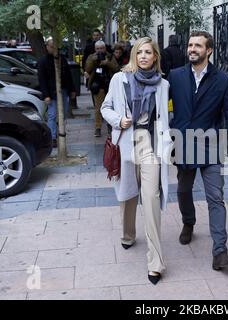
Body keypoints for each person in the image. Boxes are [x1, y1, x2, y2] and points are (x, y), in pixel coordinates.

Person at [168, 31, 228, 271]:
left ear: (208, 50)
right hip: (183, 142)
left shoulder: (222, 80)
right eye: (190, 45)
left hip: (210, 145)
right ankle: (188, 223)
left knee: (215, 197)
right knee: (183, 191)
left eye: (198, 46)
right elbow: (158, 104)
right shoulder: (175, 76)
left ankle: (220, 251)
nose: (192, 49)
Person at [101, 37, 172, 285]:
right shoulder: (119, 79)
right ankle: (128, 234)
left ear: (155, 57)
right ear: (134, 55)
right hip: (126, 141)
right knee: (128, 194)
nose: (143, 56)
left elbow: (164, 116)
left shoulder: (163, 84)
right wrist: (118, 120)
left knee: (151, 197)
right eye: (139, 52)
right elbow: (105, 107)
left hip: (150, 144)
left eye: (148, 52)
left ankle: (155, 263)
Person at [37, 39, 76, 148]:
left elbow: (68, 75)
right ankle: (52, 137)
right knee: (52, 114)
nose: (54, 49)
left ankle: (61, 132)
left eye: (56, 47)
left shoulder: (62, 59)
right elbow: (42, 80)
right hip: (51, 92)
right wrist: (46, 95)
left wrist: (72, 90)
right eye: (52, 47)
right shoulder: (42, 61)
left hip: (63, 90)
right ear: (47, 47)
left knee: (62, 114)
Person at [85, 40, 120, 137]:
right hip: (97, 85)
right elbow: (87, 69)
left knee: (111, 107)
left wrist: (107, 63)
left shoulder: (110, 56)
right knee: (98, 108)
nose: (100, 50)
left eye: (101, 48)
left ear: (105, 48)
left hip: (109, 85)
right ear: (95, 49)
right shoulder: (91, 57)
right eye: (97, 49)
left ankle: (110, 126)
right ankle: (98, 128)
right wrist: (93, 60)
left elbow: (116, 68)